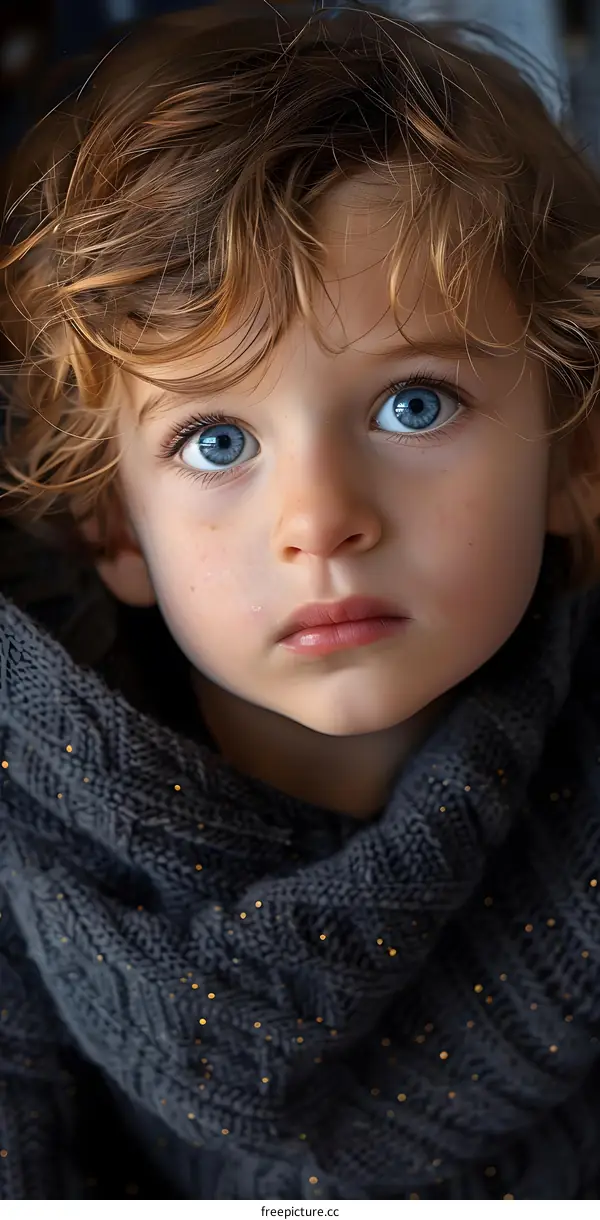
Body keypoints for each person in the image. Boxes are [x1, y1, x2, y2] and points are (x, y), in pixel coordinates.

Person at [1, 0, 600, 1201]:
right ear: (119, 527)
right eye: (216, 438)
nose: (320, 519)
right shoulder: (30, 850)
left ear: (571, 457)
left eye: (413, 404)